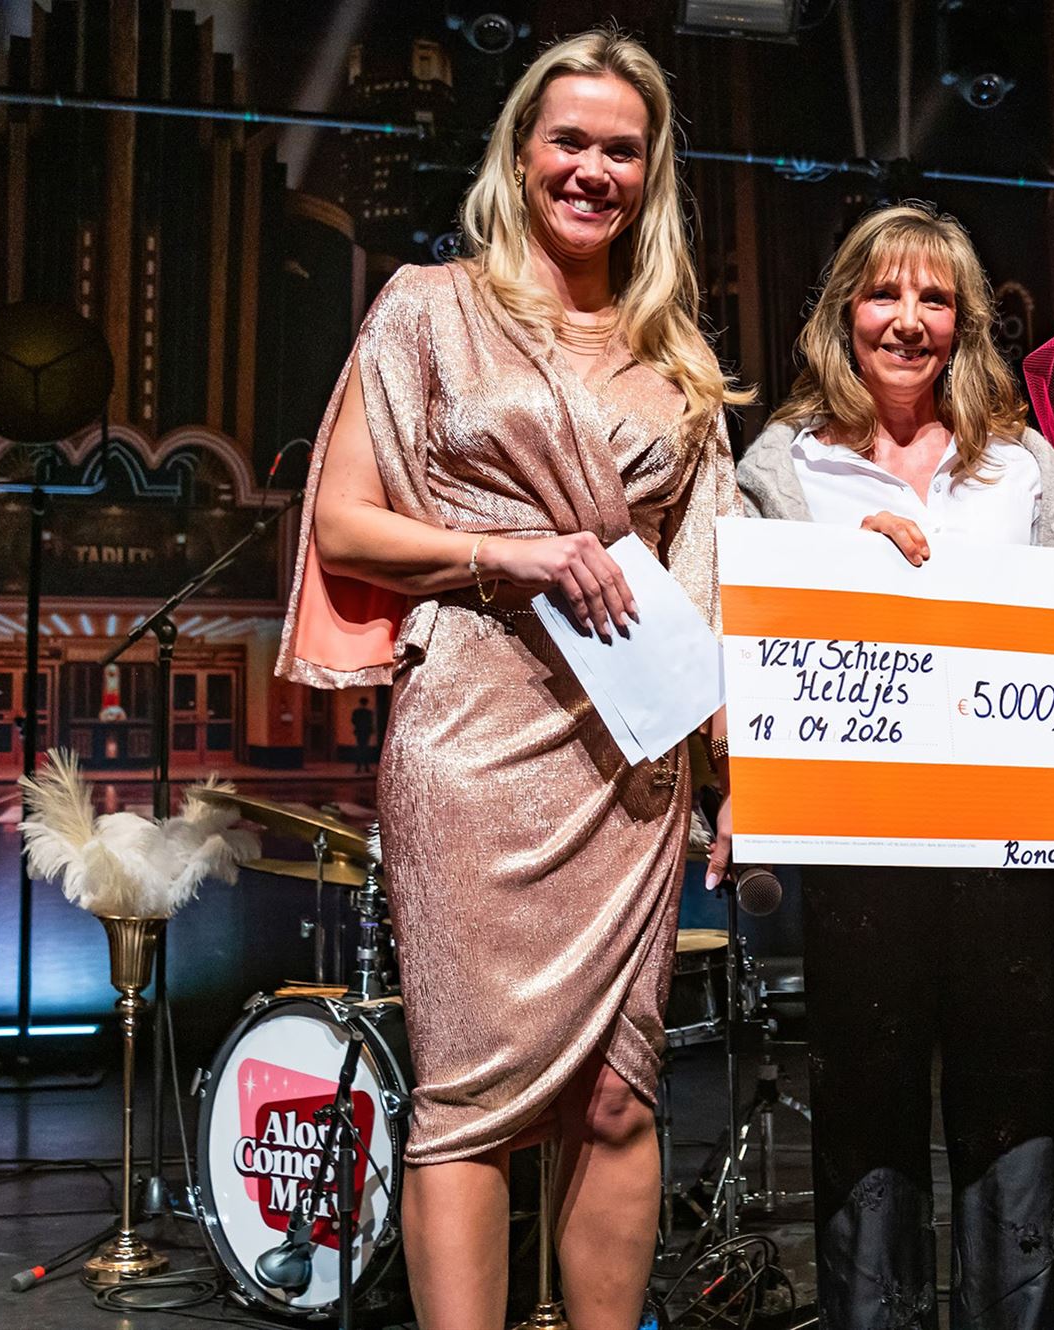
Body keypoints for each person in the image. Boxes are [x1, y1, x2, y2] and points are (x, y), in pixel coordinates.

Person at [275, 29, 741, 1330]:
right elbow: (344, 526)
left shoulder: (678, 360)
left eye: (621, 150)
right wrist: (508, 552)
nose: (592, 169)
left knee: (618, 1092)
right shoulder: (429, 307)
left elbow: (707, 591)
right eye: (568, 140)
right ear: (520, 152)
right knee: (470, 1099)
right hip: (472, 742)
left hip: (630, 766)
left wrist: (740, 781)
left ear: (650, 176)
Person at [738, 202, 1054, 1330]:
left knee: (1011, 1112)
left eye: (935, 298)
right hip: (861, 852)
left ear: (964, 321)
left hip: (1008, 849)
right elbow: (745, 637)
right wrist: (838, 570)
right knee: (867, 1120)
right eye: (884, 293)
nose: (908, 319)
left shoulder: (1025, 467)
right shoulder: (784, 465)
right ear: (844, 309)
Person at [349, 695, 375, 773]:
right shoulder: (369, 712)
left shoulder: (356, 712)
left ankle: (359, 767)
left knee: (359, 748)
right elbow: (370, 722)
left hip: (359, 731)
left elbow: (353, 721)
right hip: (366, 732)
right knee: (365, 748)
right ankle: (366, 767)